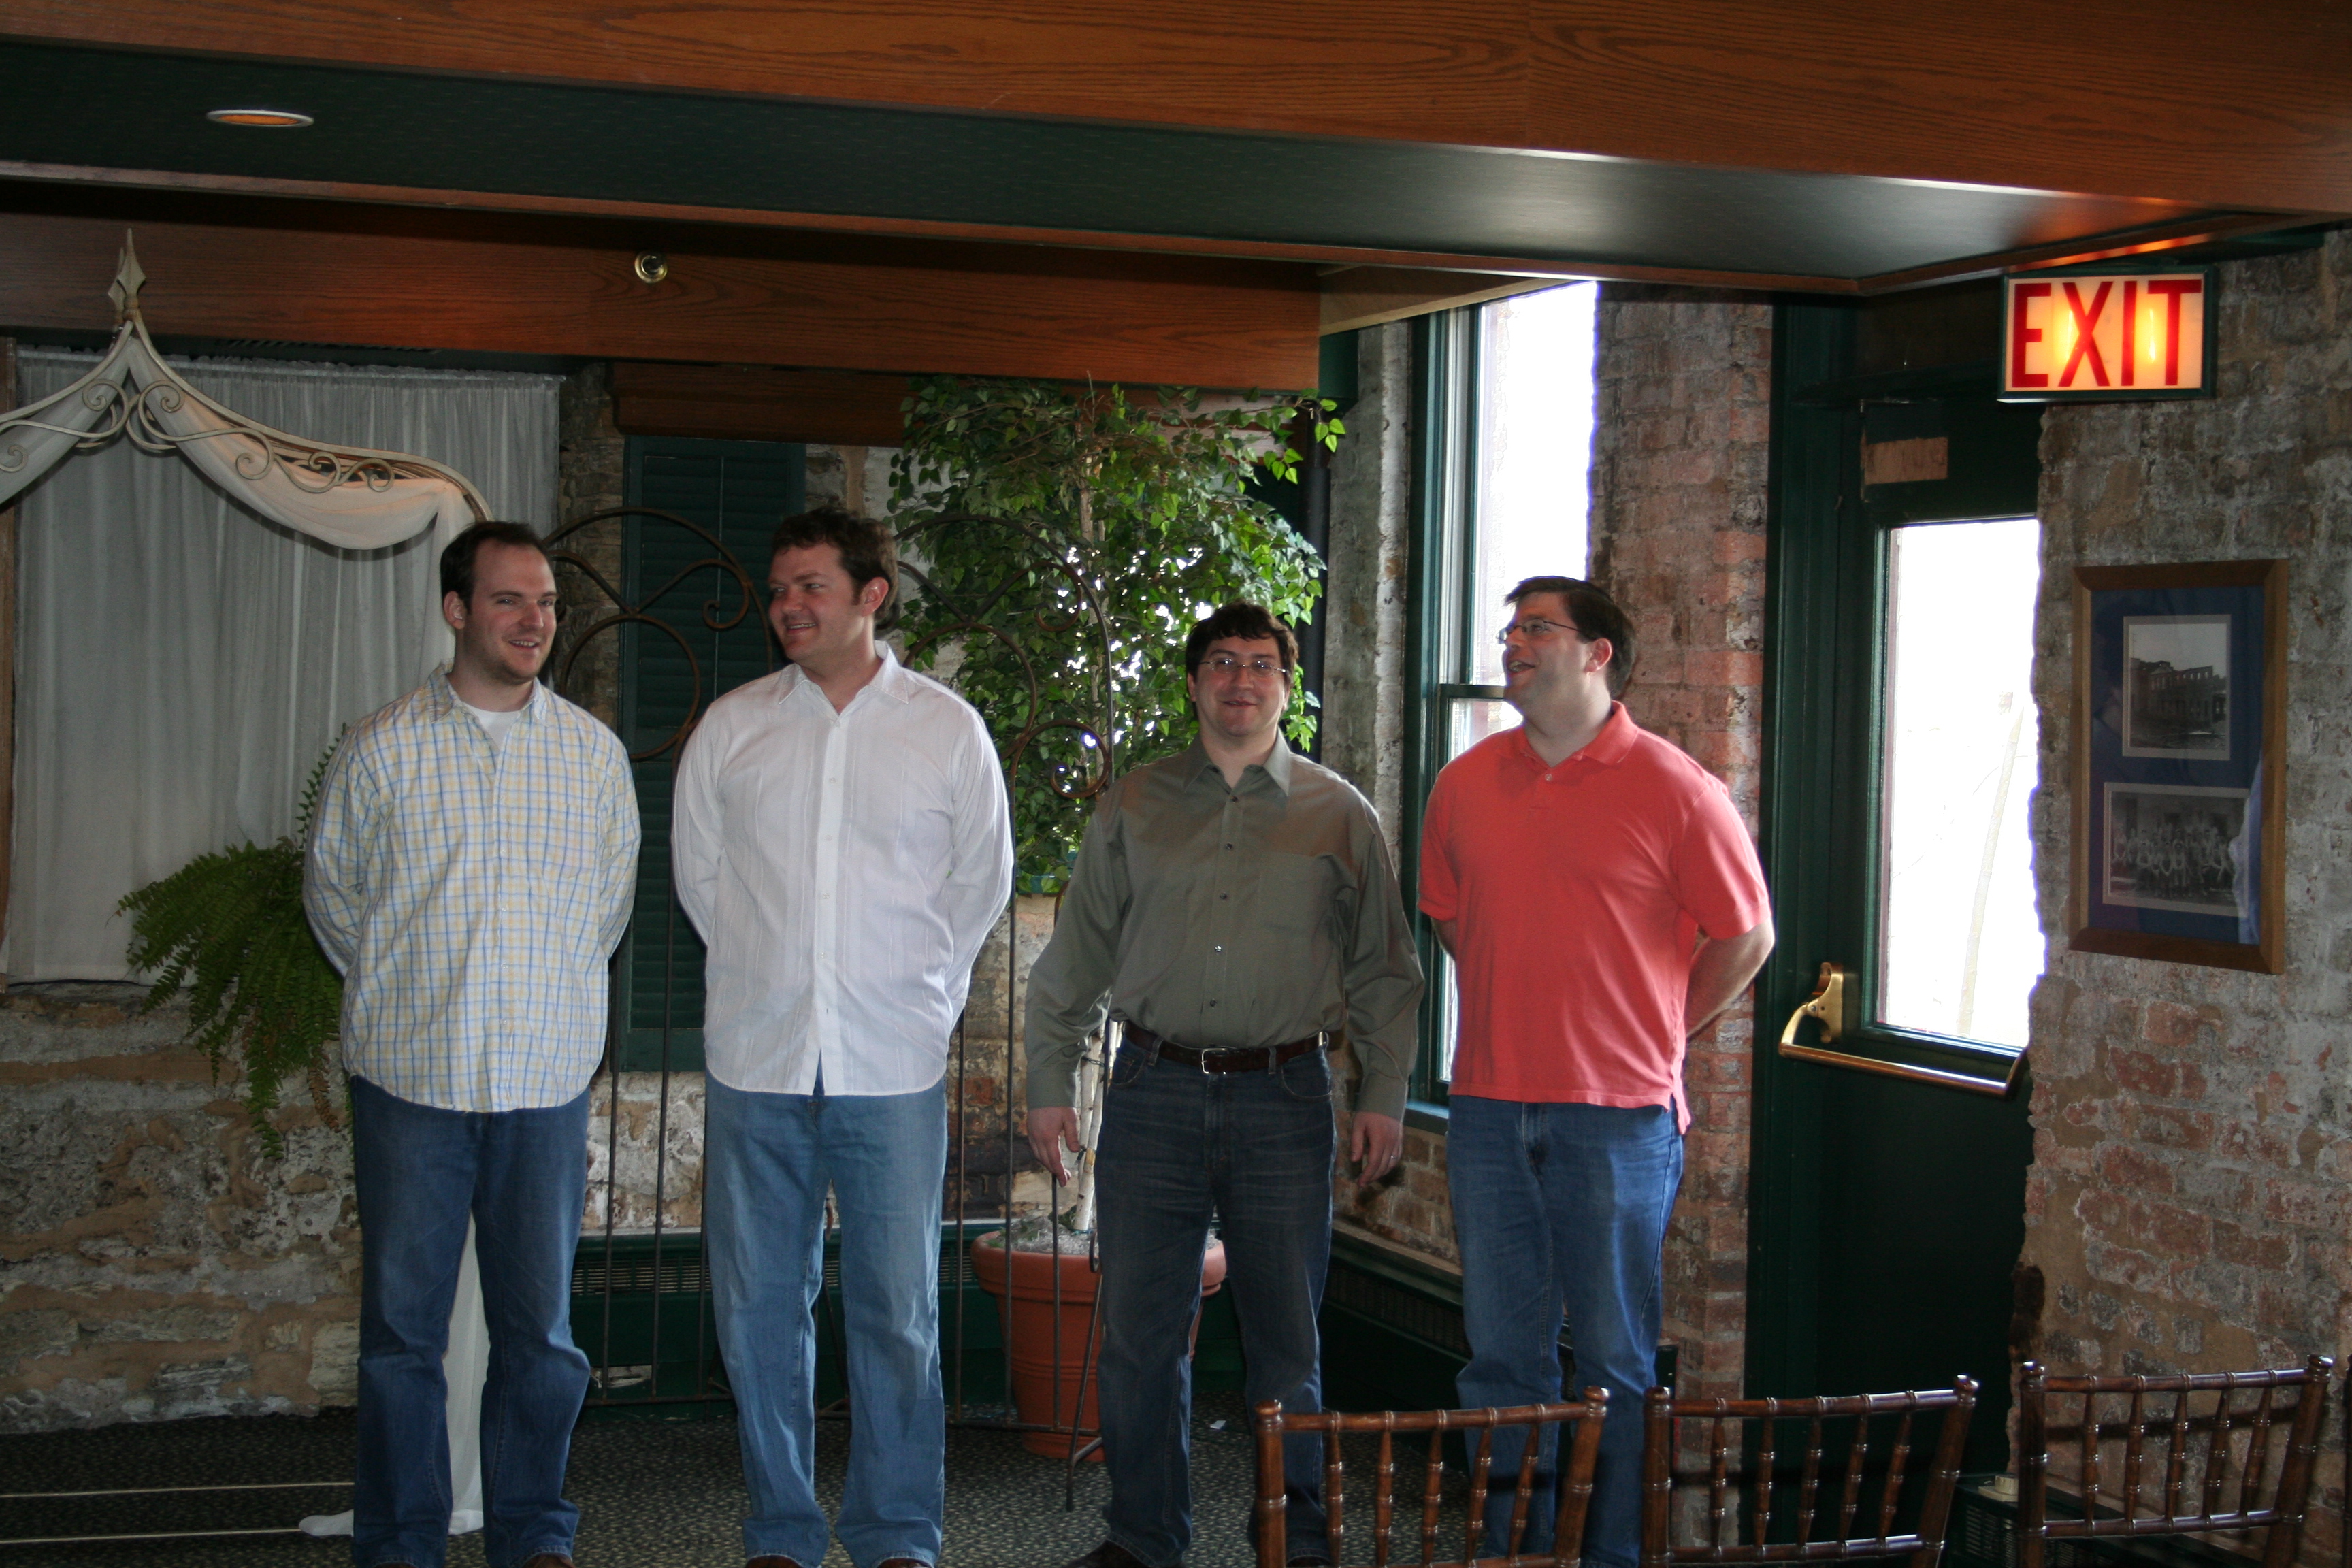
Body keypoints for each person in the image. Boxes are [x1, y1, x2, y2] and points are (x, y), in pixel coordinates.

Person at [1026, 602, 1424, 1568]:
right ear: (1195, 682)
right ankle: (1143, 1537)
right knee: (1139, 1339)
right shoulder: (1134, 803)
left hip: (1284, 1099)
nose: (1241, 680)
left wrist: (1382, 1093)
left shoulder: (1341, 813)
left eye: (1261, 664)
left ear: (1287, 685)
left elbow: (1384, 970)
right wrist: (1047, 1081)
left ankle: (1295, 1539)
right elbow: (1075, 958)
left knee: (1287, 1344)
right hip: (1152, 1091)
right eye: (1220, 663)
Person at [672, 506, 1013, 1568]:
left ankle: (896, 1531)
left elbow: (981, 885)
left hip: (891, 1067)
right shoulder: (732, 728)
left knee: (898, 1314)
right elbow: (702, 883)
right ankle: (780, 1528)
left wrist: (921, 1001)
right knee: (759, 1312)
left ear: (872, 595)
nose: (788, 606)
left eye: (810, 586)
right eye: (779, 590)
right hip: (758, 1061)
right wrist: (768, 980)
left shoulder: (947, 730)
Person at [1420, 576, 1774, 1568]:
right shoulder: (1463, 784)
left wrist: (1663, 1030)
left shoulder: (1676, 787)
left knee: (1614, 1364)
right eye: (1510, 629)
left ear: (1598, 653)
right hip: (1488, 1110)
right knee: (1501, 1362)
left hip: (1619, 1120)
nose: (1514, 643)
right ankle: (1512, 1552)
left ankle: (1612, 1555)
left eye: (1538, 628)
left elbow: (1747, 936)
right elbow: (1450, 918)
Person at [304, 521, 640, 1568]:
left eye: (546, 602)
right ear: (457, 611)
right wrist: (417, 993)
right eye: (509, 600)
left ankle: (532, 1534)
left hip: (544, 1088)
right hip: (412, 1082)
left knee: (541, 1339)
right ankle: (402, 1544)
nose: (535, 620)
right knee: (402, 1340)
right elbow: (336, 903)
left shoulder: (592, 758)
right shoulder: (380, 749)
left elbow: (606, 911)